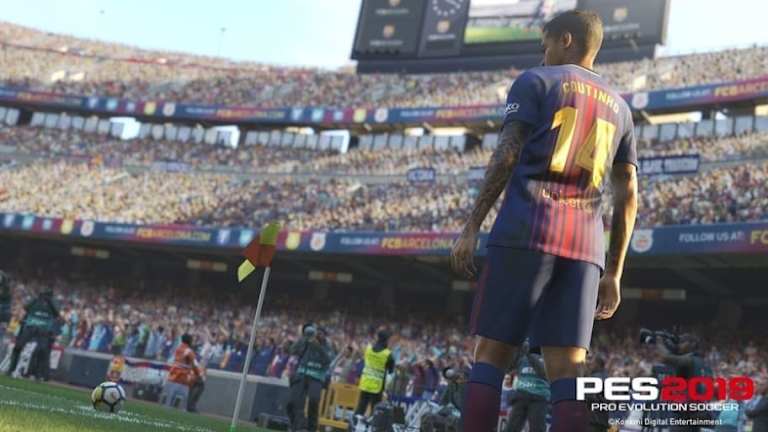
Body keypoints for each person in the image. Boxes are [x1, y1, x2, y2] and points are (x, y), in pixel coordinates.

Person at [451, 10, 638, 432]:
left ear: (565, 39)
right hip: (585, 247)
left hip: (528, 229)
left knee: (491, 356)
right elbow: (628, 194)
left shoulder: (536, 80)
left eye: (546, 43)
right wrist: (615, 272)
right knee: (568, 371)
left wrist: (473, 223)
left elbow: (507, 154)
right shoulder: (621, 108)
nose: (543, 53)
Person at [286, 323, 333, 432]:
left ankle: (311, 428)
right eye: (317, 333)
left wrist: (317, 346)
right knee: (293, 402)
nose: (318, 335)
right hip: (302, 374)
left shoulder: (327, 347)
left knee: (314, 400)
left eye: (321, 334)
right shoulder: (306, 341)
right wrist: (303, 338)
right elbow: (292, 350)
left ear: (325, 336)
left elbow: (327, 360)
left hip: (317, 378)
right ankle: (297, 427)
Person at [7, 288, 61, 380]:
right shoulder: (35, 301)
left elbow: (57, 313)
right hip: (30, 326)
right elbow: (26, 308)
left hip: (43, 329)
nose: (44, 297)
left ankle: (38, 375)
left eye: (46, 295)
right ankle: (11, 369)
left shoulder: (53, 303)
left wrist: (49, 301)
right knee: (18, 346)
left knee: (41, 351)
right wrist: (36, 299)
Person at [505, 341, 549, 432]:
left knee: (537, 429)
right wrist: (517, 351)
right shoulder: (522, 357)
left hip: (539, 397)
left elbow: (544, 374)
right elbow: (509, 369)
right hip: (521, 396)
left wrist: (528, 354)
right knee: (510, 429)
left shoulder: (547, 359)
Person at [355, 330, 394, 417]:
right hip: (377, 386)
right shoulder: (388, 354)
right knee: (375, 410)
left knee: (361, 407)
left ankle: (355, 423)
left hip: (365, 382)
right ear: (386, 340)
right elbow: (391, 370)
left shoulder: (368, 349)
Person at [161, 333, 202, 409]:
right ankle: (181, 408)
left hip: (173, 375)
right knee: (183, 398)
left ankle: (166, 406)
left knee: (169, 396)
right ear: (189, 341)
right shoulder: (189, 351)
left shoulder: (178, 348)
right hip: (182, 377)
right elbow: (194, 364)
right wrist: (199, 374)